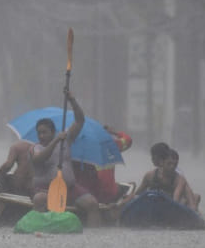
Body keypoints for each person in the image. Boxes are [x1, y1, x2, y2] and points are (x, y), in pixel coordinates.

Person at [30, 90, 101, 226]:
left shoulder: (65, 140)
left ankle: (93, 235)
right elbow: (39, 159)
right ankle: (40, 229)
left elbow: (80, 120)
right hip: (45, 189)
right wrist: (56, 141)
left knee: (92, 203)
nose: (41, 136)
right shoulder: (36, 148)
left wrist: (72, 100)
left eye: (44, 132)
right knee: (39, 199)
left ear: (53, 132)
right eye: (39, 133)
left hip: (69, 188)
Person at [73, 125, 133, 204]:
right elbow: (128, 140)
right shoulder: (113, 145)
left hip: (88, 194)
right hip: (109, 192)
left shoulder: (80, 151)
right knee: (128, 187)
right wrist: (114, 132)